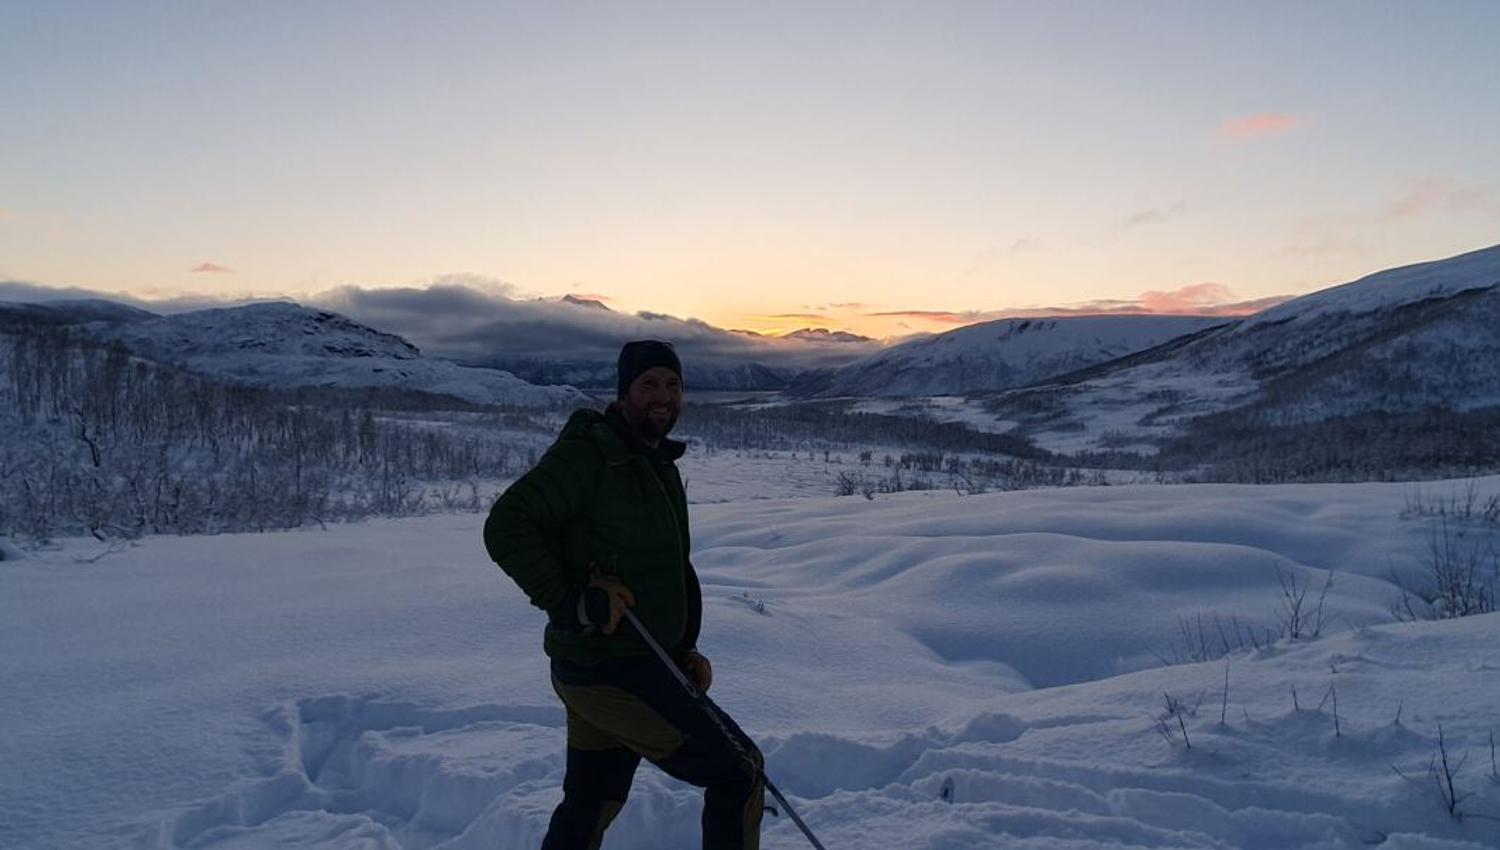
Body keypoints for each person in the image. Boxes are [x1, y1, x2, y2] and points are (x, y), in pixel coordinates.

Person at [485, 340, 764, 850]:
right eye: (649, 384)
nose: (664, 396)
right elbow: (507, 526)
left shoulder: (652, 463)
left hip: (623, 665)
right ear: (623, 393)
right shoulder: (590, 456)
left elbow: (654, 570)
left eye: (673, 384)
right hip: (610, 670)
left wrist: (680, 651)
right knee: (739, 772)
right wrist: (571, 603)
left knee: (590, 804)